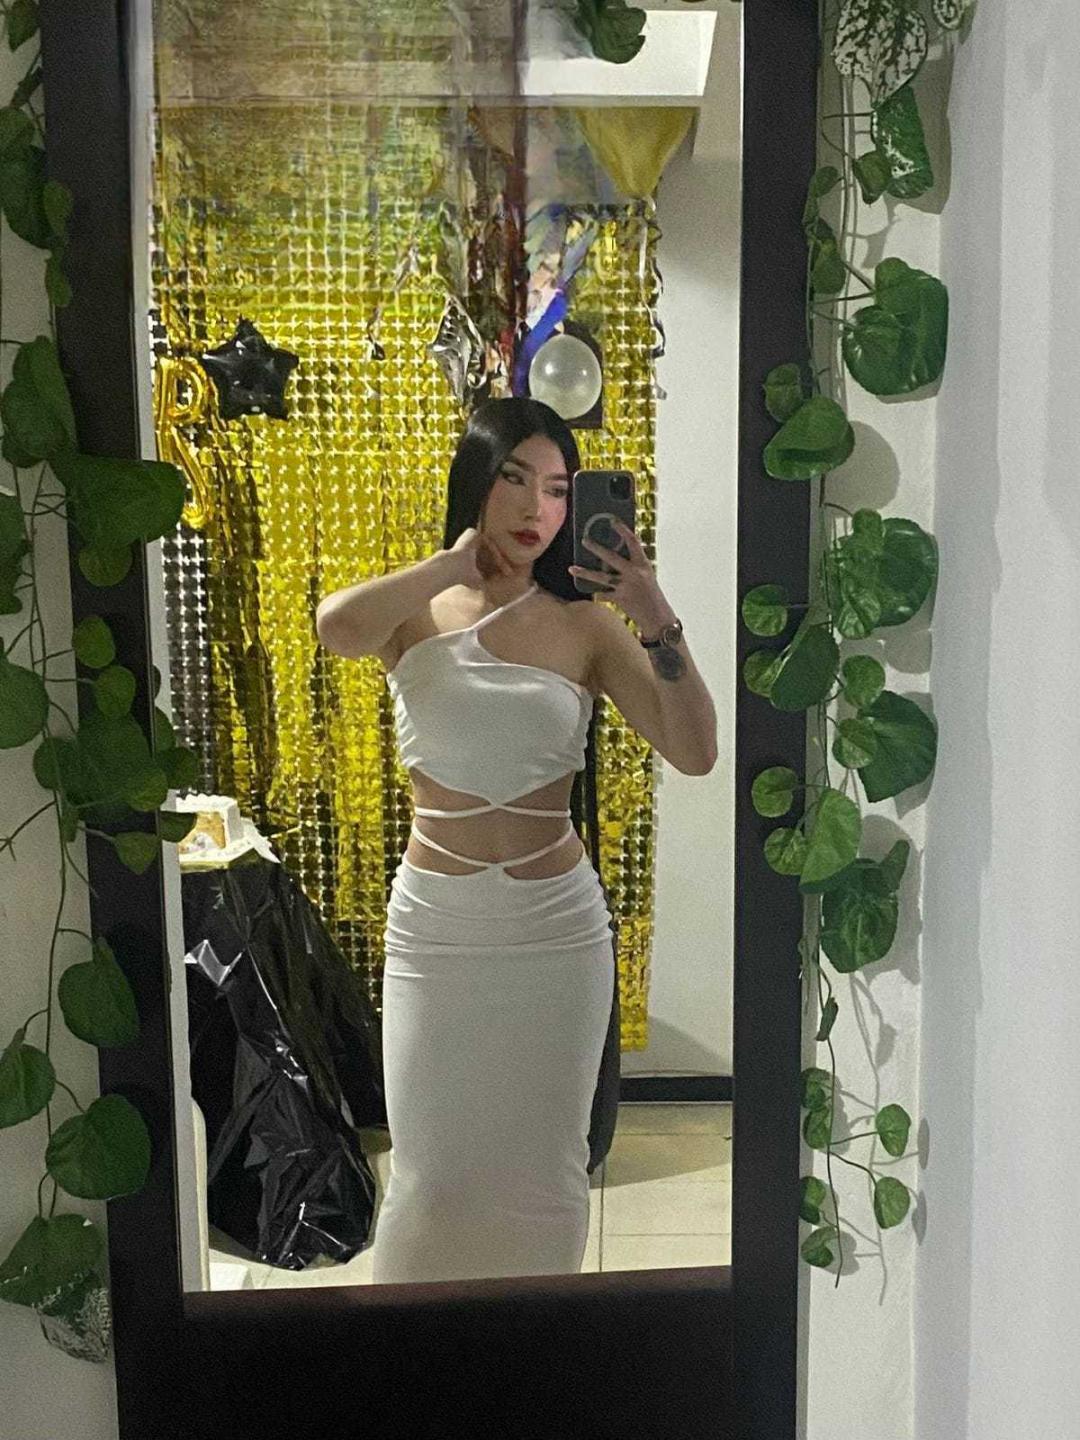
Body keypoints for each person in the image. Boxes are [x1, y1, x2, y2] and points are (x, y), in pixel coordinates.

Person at [315, 396, 717, 1283]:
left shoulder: (586, 625)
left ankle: (538, 1346)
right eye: (515, 479)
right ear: (476, 481)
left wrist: (651, 609)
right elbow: (335, 627)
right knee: (430, 1176)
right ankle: (413, 1354)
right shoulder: (417, 612)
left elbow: (694, 751)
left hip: (555, 932)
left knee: (545, 1172)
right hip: (437, 929)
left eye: (559, 489)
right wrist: (444, 567)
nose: (538, 507)